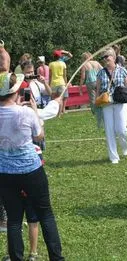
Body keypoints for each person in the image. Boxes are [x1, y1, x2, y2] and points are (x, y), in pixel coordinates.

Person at [0, 72, 64, 260]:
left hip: (5, 172)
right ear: (16, 91)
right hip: (31, 170)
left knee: (14, 220)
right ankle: (56, 258)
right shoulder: (26, 112)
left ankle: (16, 257)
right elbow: (39, 136)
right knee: (46, 215)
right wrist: (34, 111)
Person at [95, 48, 127, 164]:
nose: (105, 59)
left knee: (121, 129)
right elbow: (97, 90)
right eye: (103, 58)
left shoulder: (123, 71)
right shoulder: (100, 73)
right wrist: (96, 103)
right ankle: (113, 157)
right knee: (109, 130)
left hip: (121, 103)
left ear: (113, 57)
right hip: (106, 104)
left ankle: (125, 145)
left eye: (107, 57)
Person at [49, 50, 68, 116]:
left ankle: (53, 113)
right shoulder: (63, 63)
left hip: (53, 83)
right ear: (60, 56)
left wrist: (49, 84)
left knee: (53, 100)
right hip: (61, 82)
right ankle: (59, 114)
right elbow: (65, 75)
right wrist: (66, 84)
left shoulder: (51, 64)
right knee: (60, 99)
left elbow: (50, 76)